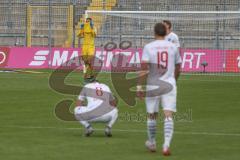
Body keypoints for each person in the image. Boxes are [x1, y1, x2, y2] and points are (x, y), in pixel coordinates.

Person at [137, 23, 181, 156]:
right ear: (166, 33)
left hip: (153, 84)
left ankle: (152, 142)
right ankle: (166, 145)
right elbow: (179, 66)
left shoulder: (148, 47)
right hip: (169, 83)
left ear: (154, 33)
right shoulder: (173, 47)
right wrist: (174, 80)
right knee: (168, 115)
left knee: (152, 115)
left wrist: (139, 87)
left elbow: (144, 68)